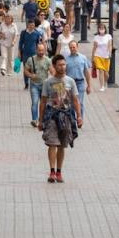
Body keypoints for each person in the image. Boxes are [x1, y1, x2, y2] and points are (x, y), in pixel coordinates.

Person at [38, 54, 82, 183]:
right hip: (52, 115)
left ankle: (59, 172)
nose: (63, 67)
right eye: (60, 65)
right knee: (52, 143)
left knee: (62, 145)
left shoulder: (70, 81)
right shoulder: (48, 82)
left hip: (66, 116)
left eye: (64, 64)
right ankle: (51, 172)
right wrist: (40, 121)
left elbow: (75, 100)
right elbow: (43, 101)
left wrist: (79, 116)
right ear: (54, 66)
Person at [23, 43, 53, 127]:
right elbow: (25, 70)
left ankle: (42, 119)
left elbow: (52, 71)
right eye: (39, 50)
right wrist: (30, 75)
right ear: (36, 50)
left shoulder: (47, 60)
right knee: (35, 102)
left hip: (44, 85)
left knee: (44, 103)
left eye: (42, 50)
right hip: (34, 85)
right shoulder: (31, 59)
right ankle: (34, 119)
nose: (41, 52)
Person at [64, 41, 92, 120]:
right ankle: (72, 119)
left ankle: (80, 119)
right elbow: (64, 72)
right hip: (70, 84)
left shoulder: (83, 58)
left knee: (79, 102)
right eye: (71, 47)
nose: (72, 49)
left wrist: (89, 86)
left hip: (80, 82)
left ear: (77, 47)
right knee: (71, 103)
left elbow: (86, 72)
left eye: (74, 47)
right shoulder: (66, 59)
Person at [18, 20, 44, 89]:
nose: (31, 26)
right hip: (25, 53)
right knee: (26, 69)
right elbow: (20, 43)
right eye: (30, 25)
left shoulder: (37, 33)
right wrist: (19, 52)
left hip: (34, 54)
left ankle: (33, 83)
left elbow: (38, 44)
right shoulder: (24, 33)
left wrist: (40, 52)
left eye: (33, 25)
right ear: (28, 25)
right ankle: (26, 83)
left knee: (34, 69)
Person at [91, 23, 114, 91]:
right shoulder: (96, 37)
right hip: (98, 55)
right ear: (98, 29)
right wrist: (92, 57)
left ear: (105, 29)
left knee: (106, 73)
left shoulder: (108, 36)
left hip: (106, 56)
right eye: (100, 28)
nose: (101, 30)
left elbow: (110, 45)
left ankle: (105, 83)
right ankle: (101, 86)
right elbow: (94, 47)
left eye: (103, 28)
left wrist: (110, 53)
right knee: (101, 70)